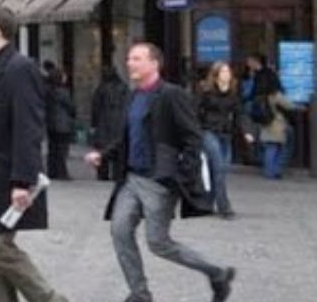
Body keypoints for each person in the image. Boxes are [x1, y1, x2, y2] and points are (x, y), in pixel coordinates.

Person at [86, 42, 235, 302]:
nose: (130, 63)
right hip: (131, 178)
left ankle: (217, 273)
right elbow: (126, 138)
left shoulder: (171, 94)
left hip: (158, 180)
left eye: (137, 58)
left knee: (158, 243)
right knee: (119, 231)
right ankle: (140, 294)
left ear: (154, 64)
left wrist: (180, 174)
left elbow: (193, 137)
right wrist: (103, 154)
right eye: (129, 58)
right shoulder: (132, 96)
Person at [0, 6, 68, 302]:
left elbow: (28, 127)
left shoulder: (20, 68)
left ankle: (50, 299)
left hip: (7, 177)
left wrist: (23, 180)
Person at [195, 62, 246, 218]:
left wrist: (246, 132)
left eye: (228, 71)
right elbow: (195, 111)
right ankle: (224, 207)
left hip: (226, 133)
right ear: (216, 75)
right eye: (223, 71)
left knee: (218, 169)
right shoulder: (206, 92)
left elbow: (239, 115)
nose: (226, 74)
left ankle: (207, 203)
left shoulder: (233, 94)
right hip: (208, 132)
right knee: (219, 168)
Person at [92, 66, 129, 182]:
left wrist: (94, 123)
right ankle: (118, 174)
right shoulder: (124, 87)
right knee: (118, 148)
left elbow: (95, 107)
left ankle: (103, 174)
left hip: (104, 122)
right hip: (119, 121)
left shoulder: (101, 88)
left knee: (103, 148)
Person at [46, 67, 75, 181]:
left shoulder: (48, 91)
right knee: (62, 150)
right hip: (62, 124)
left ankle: (52, 171)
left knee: (53, 149)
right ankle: (62, 172)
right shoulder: (63, 92)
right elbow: (71, 107)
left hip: (51, 123)